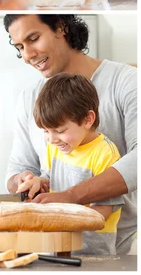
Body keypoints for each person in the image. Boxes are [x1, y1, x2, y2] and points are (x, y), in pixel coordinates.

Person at [3, 14, 136, 254]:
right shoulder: (29, 98)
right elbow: (19, 168)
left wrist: (70, 196)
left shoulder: (127, 81)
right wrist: (26, 181)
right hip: (55, 248)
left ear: (61, 28)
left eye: (33, 39)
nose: (27, 54)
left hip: (115, 248)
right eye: (20, 47)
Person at [18, 73, 123, 255]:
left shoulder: (105, 154)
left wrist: (57, 211)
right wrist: (39, 182)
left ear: (87, 120)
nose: (51, 139)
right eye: (45, 131)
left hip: (93, 253)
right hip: (57, 247)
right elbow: (51, 178)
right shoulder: (56, 146)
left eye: (59, 131)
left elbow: (102, 213)